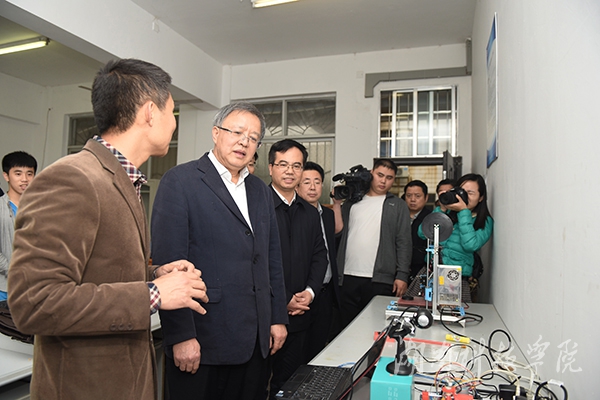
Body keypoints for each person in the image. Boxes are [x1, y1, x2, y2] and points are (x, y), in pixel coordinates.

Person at [7, 59, 209, 400]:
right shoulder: (72, 178)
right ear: (149, 112)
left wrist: (154, 273)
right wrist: (154, 293)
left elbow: (98, 269)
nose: (174, 123)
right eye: (172, 112)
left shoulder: (122, 179)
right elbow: (35, 302)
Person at [151, 102, 288, 400]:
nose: (244, 142)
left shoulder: (261, 191)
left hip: (256, 341)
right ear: (216, 133)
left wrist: (277, 317)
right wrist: (182, 336)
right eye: (237, 132)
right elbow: (169, 267)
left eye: (253, 138)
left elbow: (271, 260)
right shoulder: (180, 181)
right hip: (204, 339)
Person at [267, 140, 327, 399]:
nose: (290, 171)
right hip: (264, 316)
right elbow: (252, 261)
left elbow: (320, 256)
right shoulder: (255, 207)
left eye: (296, 166)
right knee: (255, 385)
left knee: (289, 385)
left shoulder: (310, 213)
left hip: (300, 315)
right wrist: (283, 299)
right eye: (283, 164)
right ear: (271, 168)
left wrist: (310, 293)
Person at [332, 158, 412, 328]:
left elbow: (404, 241)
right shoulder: (352, 202)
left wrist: (402, 275)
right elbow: (338, 232)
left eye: (389, 178)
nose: (383, 181)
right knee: (346, 327)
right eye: (380, 175)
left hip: (380, 279)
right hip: (347, 276)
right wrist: (337, 204)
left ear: (393, 180)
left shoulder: (398, 205)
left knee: (376, 328)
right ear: (371, 174)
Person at [418, 173, 493, 302]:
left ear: (481, 197)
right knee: (421, 310)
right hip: (430, 273)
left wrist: (464, 212)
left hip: (455, 278)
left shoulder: (484, 221)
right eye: (462, 191)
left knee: (451, 312)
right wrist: (441, 209)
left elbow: (470, 245)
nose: (464, 196)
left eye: (470, 193)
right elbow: (422, 233)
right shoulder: (447, 212)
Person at [295, 161, 341, 361]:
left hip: (325, 292)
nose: (312, 187)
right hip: (301, 294)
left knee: (319, 349)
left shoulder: (328, 215)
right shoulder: (293, 214)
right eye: (306, 182)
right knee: (298, 353)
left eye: (317, 182)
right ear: (297, 185)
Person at [1, 151, 37, 301]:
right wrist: (14, 270)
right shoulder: (1, 207)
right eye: (18, 174)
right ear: (6, 176)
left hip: (33, 288)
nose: (24, 179)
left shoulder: (40, 207)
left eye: (29, 174)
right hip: (4, 290)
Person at [403, 180, 432, 286]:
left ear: (426, 198)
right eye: (409, 195)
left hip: (421, 270)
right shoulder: (399, 216)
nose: (413, 199)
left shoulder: (431, 218)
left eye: (417, 196)